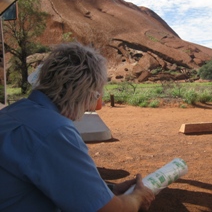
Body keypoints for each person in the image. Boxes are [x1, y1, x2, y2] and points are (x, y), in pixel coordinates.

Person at [0, 42, 155, 211]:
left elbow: (48, 178)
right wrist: (137, 197)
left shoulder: (11, 112)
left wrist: (109, 190)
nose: (92, 105)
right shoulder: (54, 132)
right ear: (81, 91)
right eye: (96, 95)